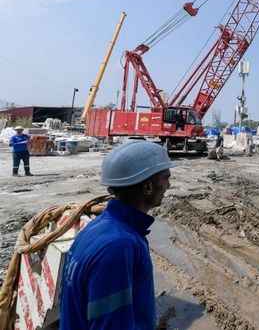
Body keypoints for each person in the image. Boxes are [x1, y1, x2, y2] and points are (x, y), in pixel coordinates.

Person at [60, 140, 174, 329]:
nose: (169, 185)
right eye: (166, 177)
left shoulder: (100, 228)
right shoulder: (118, 247)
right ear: (147, 187)